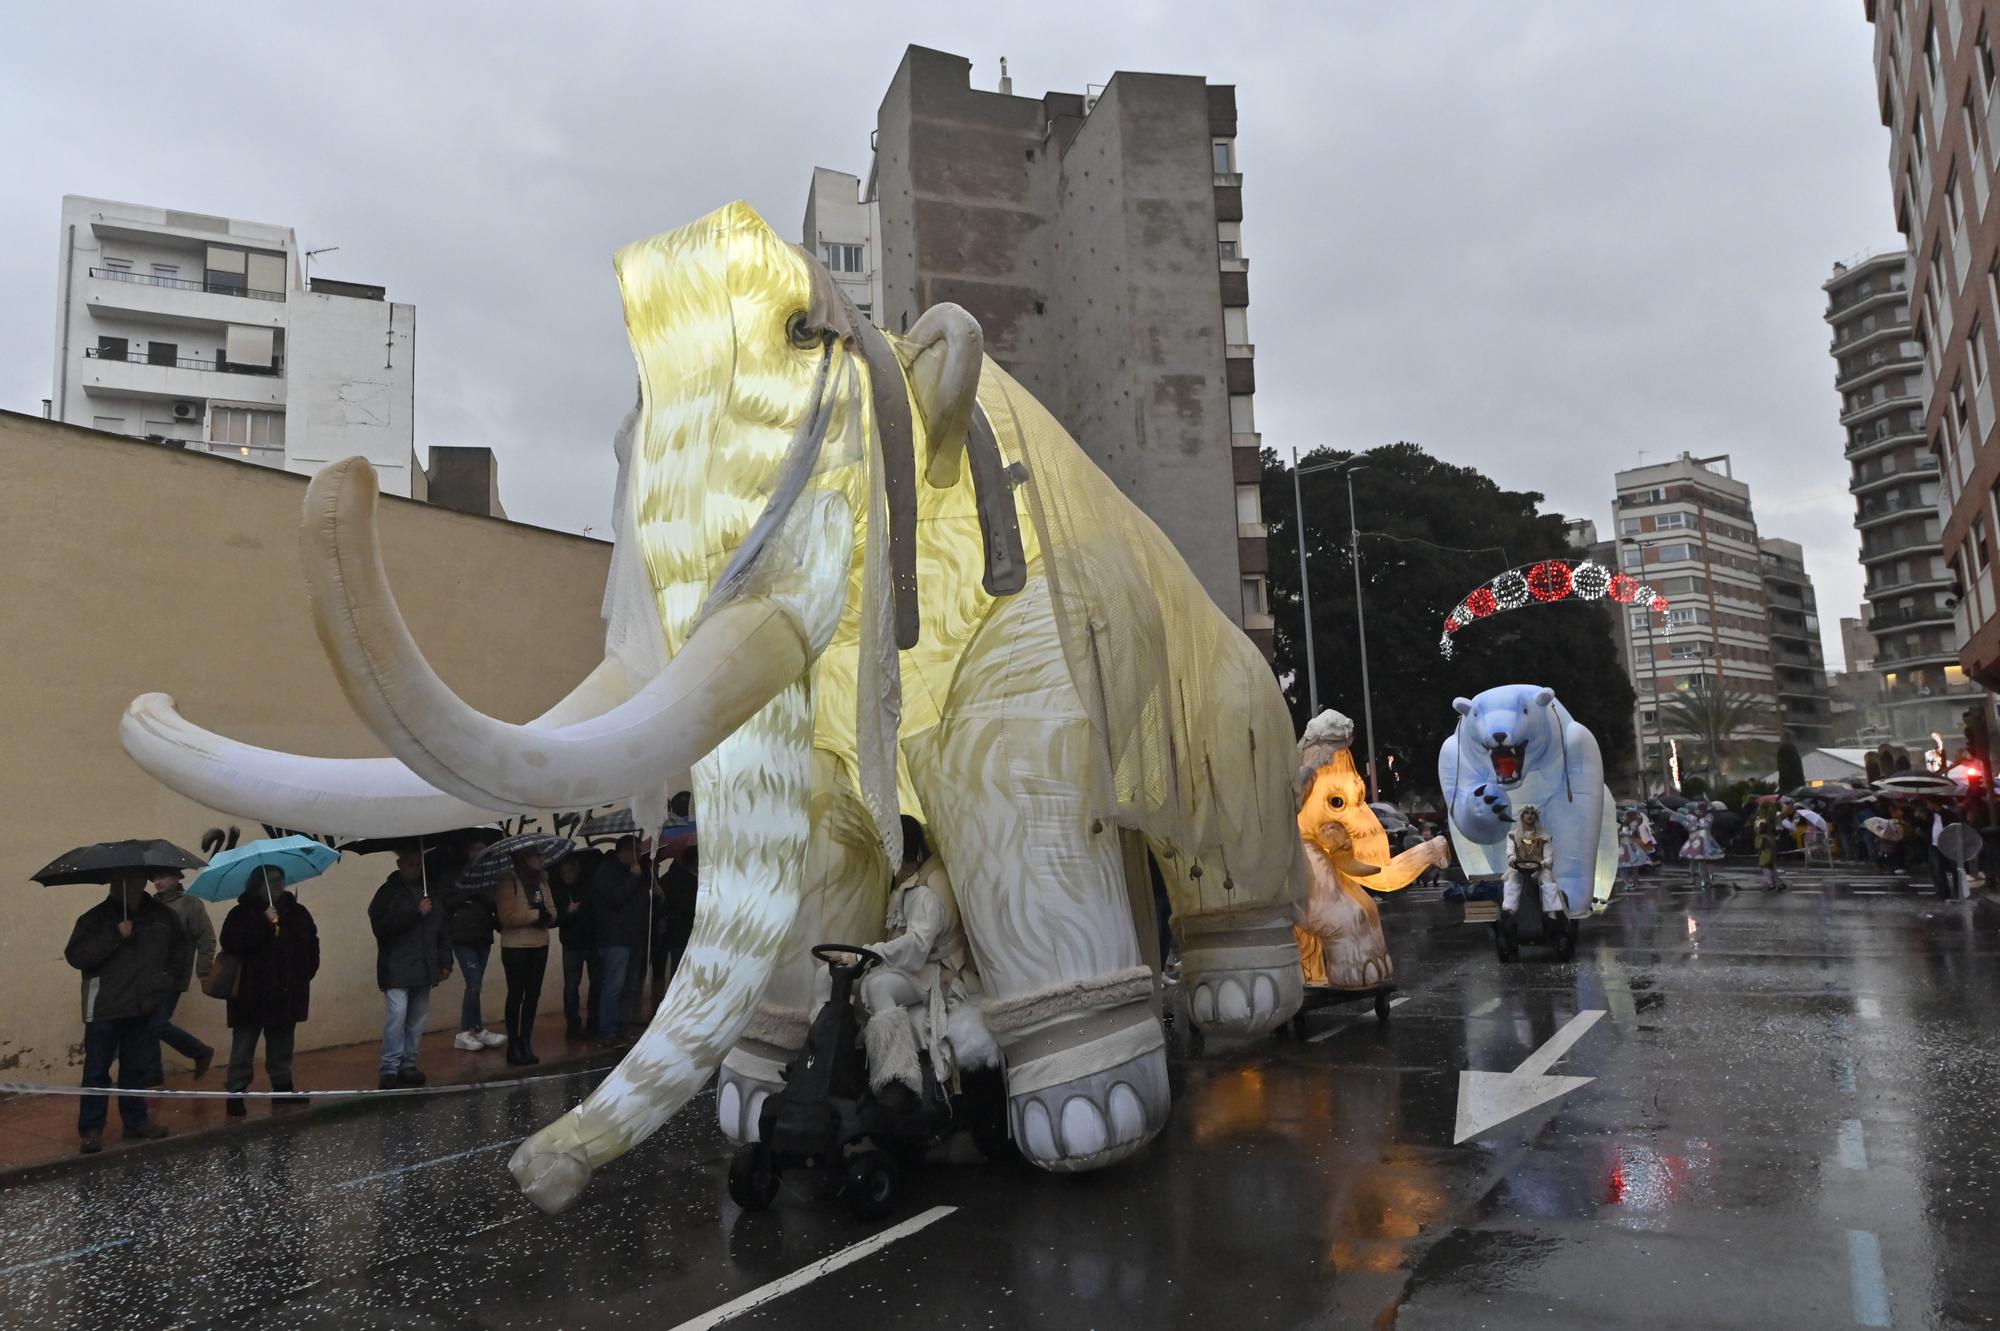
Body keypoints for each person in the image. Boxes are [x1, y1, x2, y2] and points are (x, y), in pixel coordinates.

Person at [858, 816, 978, 1109]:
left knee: (879, 987)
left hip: (937, 975)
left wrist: (871, 952)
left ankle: (898, 1078)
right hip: (915, 969)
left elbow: (918, 946)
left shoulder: (923, 891)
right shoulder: (906, 886)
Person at [64, 871, 187, 1152]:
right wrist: (115, 936)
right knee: (97, 1070)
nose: (126, 886)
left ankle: (136, 1121)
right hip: (105, 1006)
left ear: (141, 882)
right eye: (120, 881)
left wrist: (167, 982)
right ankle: (91, 1129)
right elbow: (76, 956)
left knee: (136, 1069)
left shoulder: (161, 915)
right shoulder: (93, 918)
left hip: (144, 1005)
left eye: (132, 880)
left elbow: (180, 950)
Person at [217, 866, 319, 1117]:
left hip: (286, 989)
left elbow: (310, 942)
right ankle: (236, 1093)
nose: (276, 884)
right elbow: (231, 942)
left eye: (279, 880)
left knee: (282, 1043)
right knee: (244, 1045)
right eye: (270, 881)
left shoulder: (296, 912)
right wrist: (263, 923)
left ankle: (283, 1088)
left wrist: (305, 972)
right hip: (251, 992)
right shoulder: (241, 913)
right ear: (256, 885)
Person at [368, 847, 452, 1089]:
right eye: (410, 863)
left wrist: (445, 961)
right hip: (396, 966)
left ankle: (409, 1064)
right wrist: (416, 914)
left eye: (418, 864)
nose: (414, 869)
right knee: (397, 1017)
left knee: (416, 1018)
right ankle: (390, 1067)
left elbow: (442, 930)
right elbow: (382, 928)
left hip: (424, 965)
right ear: (399, 864)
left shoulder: (431, 893)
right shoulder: (387, 893)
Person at [147, 867, 216, 1081]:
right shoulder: (150, 905)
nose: (157, 881)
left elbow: (206, 938)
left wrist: (203, 970)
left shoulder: (190, 904)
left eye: (163, 876)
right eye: (155, 876)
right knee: (148, 1025)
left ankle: (199, 1051)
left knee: (156, 1023)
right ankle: (153, 1076)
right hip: (149, 974)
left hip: (174, 973)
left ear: (177, 877)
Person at [495, 846, 558, 1065]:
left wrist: (546, 916)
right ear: (524, 859)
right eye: (536, 855)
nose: (541, 859)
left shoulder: (542, 882)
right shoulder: (508, 882)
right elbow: (507, 916)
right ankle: (514, 1045)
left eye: (540, 855)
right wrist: (534, 915)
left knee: (533, 995)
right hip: (516, 947)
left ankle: (526, 1041)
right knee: (516, 995)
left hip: (540, 944)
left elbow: (553, 911)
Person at [443, 848, 506, 1053]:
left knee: (476, 983)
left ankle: (476, 1028)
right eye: (475, 849)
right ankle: (464, 1031)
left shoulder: (487, 876)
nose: (479, 853)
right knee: (474, 983)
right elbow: (447, 902)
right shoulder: (455, 875)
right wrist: (468, 892)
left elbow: (492, 902)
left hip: (483, 935)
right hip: (463, 936)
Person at [592, 835, 652, 1046]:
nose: (638, 857)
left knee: (630, 986)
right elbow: (615, 898)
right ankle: (608, 1032)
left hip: (634, 936)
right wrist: (633, 878)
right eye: (635, 852)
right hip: (614, 937)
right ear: (624, 851)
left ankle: (622, 1028)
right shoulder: (607, 872)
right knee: (614, 986)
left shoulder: (636, 872)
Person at [550, 849, 600, 1042]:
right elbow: (553, 920)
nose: (567, 876)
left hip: (590, 941)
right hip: (571, 944)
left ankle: (593, 1021)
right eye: (564, 873)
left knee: (595, 983)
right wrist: (566, 912)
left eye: (570, 872)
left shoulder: (588, 887)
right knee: (571, 986)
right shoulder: (559, 891)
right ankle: (573, 1024)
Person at [1504, 804, 1565, 921]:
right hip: (1520, 870)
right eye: (1526, 813)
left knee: (1547, 876)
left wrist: (1542, 864)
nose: (1529, 816)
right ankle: (1511, 910)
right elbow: (1510, 850)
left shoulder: (1544, 836)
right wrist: (1512, 858)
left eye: (1532, 813)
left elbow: (1549, 856)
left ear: (1536, 817)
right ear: (1522, 816)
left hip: (1538, 870)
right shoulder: (1512, 835)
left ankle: (1551, 913)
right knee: (1512, 876)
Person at [1673, 802, 1725, 889]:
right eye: (1697, 810)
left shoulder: (1708, 818)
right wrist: (1682, 821)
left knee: (1703, 862)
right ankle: (1698, 879)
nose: (1698, 812)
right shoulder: (1694, 819)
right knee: (1694, 861)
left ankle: (1706, 880)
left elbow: (1705, 825)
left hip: (1704, 842)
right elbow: (1689, 827)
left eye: (1700, 810)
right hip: (1694, 841)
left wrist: (1694, 825)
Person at [1615, 809, 1653, 888]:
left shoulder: (1632, 824)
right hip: (1626, 846)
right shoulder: (1620, 825)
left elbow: (1633, 832)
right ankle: (1629, 882)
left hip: (1628, 846)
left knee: (1630, 865)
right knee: (1625, 865)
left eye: (1625, 816)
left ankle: (1631, 881)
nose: (1624, 817)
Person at [1754, 806, 1785, 891]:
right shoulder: (1776, 819)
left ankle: (1771, 884)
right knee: (1771, 865)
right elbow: (1779, 830)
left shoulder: (1763, 821)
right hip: (1772, 843)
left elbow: (1759, 830)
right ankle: (1779, 883)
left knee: (1764, 864)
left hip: (1765, 844)